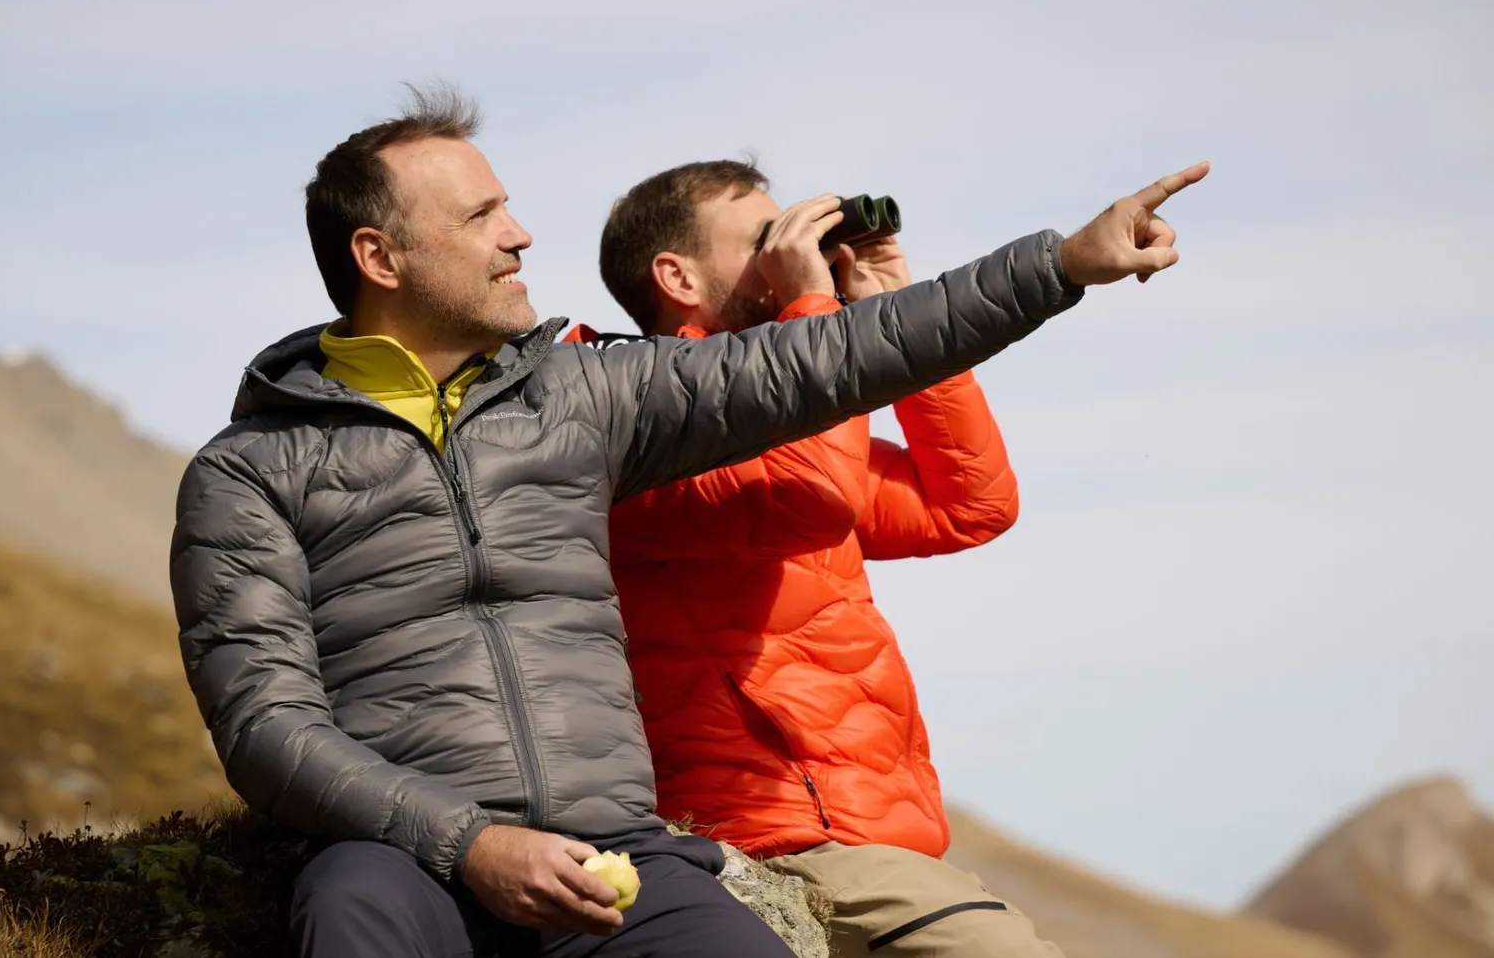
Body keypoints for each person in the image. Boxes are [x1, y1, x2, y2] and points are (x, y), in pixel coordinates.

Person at [168, 83, 1207, 958]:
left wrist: (1062, 264)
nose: (521, 233)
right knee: (349, 915)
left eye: (509, 208)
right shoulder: (247, 470)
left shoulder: (579, 396)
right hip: (401, 860)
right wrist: (472, 844)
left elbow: (838, 363)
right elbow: (266, 727)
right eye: (482, 216)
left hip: (614, 848)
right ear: (380, 258)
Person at [574, 159, 1062, 956]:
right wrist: (821, 316)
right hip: (777, 830)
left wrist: (887, 312)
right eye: (765, 239)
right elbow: (808, 501)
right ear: (677, 276)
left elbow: (969, 505)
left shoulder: (792, 428)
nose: (792, 252)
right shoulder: (636, 428)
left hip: (872, 831)